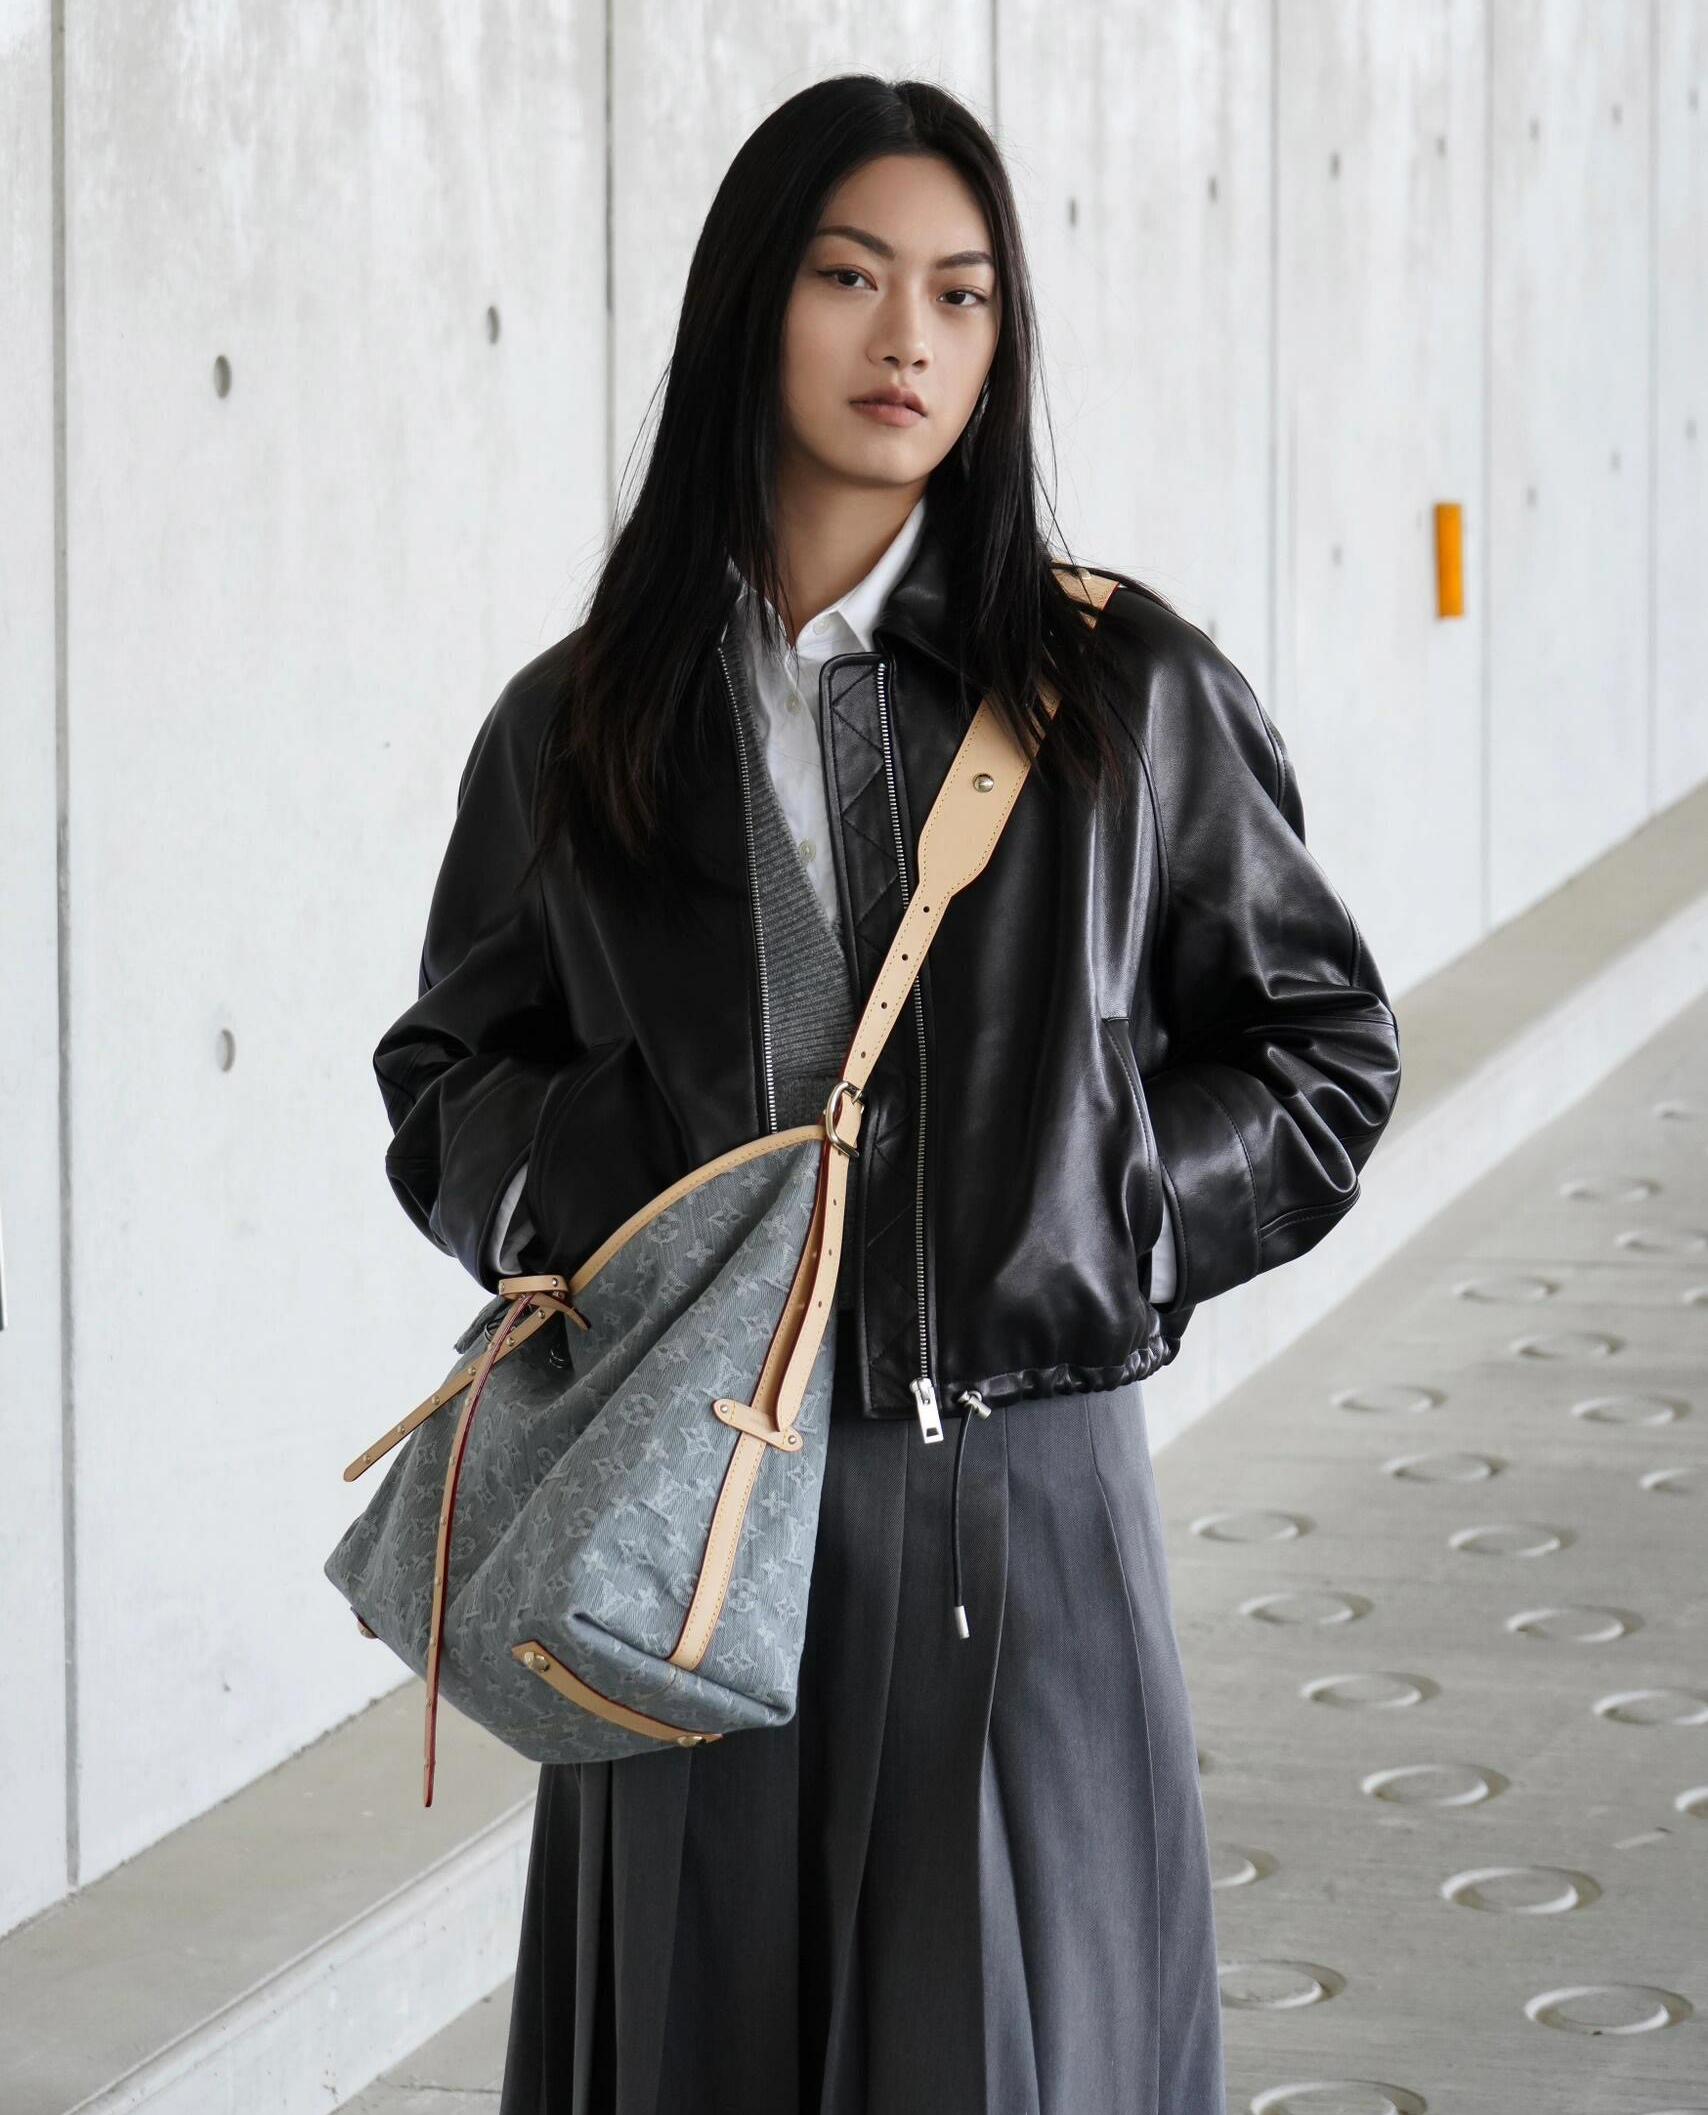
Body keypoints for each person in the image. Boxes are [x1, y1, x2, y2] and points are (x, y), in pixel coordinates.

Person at [371, 74, 1402, 2115]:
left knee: (1011, 2045)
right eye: (850, 278)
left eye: (960, 292)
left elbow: (1321, 1053)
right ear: (752, 306)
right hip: (687, 1508)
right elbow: (450, 1075)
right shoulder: (581, 723)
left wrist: (1098, 1218)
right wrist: (623, 1203)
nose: (906, 337)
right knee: (696, 2040)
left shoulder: (1121, 690)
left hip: (1019, 1505)